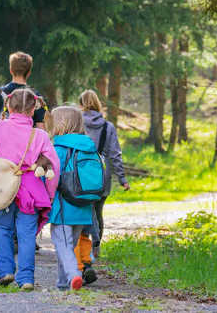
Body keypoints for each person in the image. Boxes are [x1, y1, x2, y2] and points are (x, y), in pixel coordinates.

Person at [0, 88, 59, 291]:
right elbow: (54, 165)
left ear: (8, 106)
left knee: (2, 228)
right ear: (33, 109)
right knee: (26, 235)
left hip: (5, 187)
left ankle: (5, 271)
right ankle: (26, 278)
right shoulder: (40, 135)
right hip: (31, 190)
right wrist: (50, 194)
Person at [74, 90, 130, 284]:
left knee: (80, 212)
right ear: (98, 103)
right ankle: (94, 249)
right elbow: (115, 154)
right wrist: (122, 179)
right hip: (100, 176)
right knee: (97, 213)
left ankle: (81, 255)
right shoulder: (108, 127)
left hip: (78, 176)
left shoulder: (76, 124)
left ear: (80, 104)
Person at [48, 106, 96, 291]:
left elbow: (52, 179)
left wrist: (47, 198)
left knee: (62, 244)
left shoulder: (58, 148)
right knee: (68, 246)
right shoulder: (89, 147)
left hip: (63, 207)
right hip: (84, 208)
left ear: (58, 124)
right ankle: (62, 283)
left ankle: (74, 275)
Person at [0, 51, 47, 129]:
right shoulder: (35, 95)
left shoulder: (1, 91)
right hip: (26, 139)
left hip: (4, 137)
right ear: (29, 72)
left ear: (11, 70)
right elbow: (40, 126)